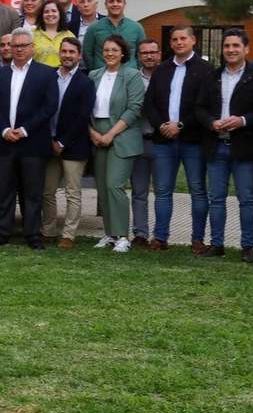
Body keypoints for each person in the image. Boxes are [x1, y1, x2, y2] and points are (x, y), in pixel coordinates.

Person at [194, 29, 253, 262]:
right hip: (216, 146)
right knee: (216, 198)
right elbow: (199, 108)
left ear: (246, 49)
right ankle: (217, 244)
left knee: (246, 199)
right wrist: (211, 122)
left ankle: (247, 246)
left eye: (236, 46)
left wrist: (243, 120)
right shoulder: (212, 76)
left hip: (244, 148)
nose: (231, 50)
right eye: (227, 46)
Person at [144, 25, 214, 252]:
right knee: (162, 191)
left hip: (193, 140)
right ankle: (160, 238)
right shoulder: (161, 70)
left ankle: (197, 240)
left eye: (183, 38)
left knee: (197, 190)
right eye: (174, 39)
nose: (179, 42)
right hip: (164, 140)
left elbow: (206, 106)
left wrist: (181, 125)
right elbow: (149, 104)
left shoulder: (206, 69)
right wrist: (161, 125)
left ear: (193, 40)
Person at [0, 30, 58, 248]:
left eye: (23, 46)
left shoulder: (46, 73)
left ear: (32, 47)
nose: (18, 50)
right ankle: (1, 233)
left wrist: (25, 130)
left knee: (32, 192)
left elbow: (49, 106)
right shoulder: (0, 74)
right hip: (5, 142)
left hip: (33, 143)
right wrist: (4, 129)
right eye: (14, 46)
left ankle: (33, 235)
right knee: (4, 191)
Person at [88, 35, 147, 252]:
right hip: (97, 134)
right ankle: (110, 234)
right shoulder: (94, 75)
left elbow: (134, 108)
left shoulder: (132, 75)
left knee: (114, 185)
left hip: (122, 135)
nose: (110, 54)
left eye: (114, 50)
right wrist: (92, 132)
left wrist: (111, 134)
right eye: (106, 50)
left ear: (123, 53)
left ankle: (123, 236)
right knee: (103, 188)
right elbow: (85, 107)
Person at [41, 37, 96, 248]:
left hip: (74, 145)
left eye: (72, 52)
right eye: (64, 51)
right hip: (49, 143)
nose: (67, 55)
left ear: (79, 55)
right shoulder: (49, 77)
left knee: (73, 193)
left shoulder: (86, 82)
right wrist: (50, 140)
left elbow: (83, 116)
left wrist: (62, 142)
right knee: (48, 191)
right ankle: (48, 231)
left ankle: (69, 235)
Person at [130, 39, 162, 247]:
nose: (149, 56)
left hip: (161, 143)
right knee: (139, 192)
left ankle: (160, 235)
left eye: (152, 52)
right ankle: (140, 233)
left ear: (159, 55)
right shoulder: (133, 79)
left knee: (162, 193)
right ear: (138, 57)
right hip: (138, 141)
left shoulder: (167, 77)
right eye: (144, 53)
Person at [81, 0, 146, 71]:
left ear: (124, 4)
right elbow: (87, 54)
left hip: (129, 76)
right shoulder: (94, 28)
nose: (115, 4)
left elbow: (142, 53)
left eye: (119, 1)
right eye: (111, 1)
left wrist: (135, 72)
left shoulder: (136, 28)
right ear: (105, 5)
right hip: (102, 75)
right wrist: (97, 72)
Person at [32, 0, 77, 67]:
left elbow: (75, 60)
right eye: (46, 12)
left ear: (60, 14)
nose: (50, 14)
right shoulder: (32, 34)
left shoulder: (69, 35)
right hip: (38, 72)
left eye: (54, 11)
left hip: (62, 73)